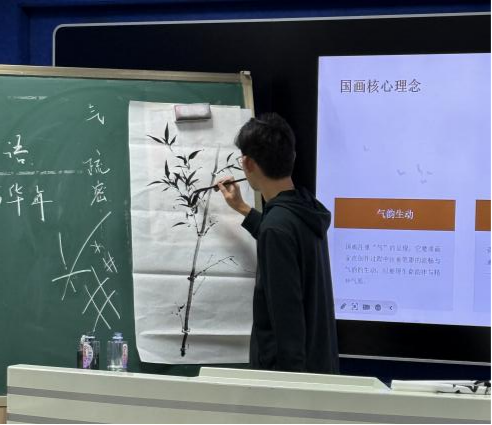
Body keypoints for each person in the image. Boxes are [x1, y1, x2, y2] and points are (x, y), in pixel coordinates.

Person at [217, 113, 339, 374]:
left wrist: (287, 388)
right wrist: (243, 209)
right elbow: (282, 236)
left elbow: (287, 321)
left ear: (248, 163)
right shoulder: (306, 208)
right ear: (292, 157)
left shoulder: (277, 227)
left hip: (290, 381)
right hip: (319, 370)